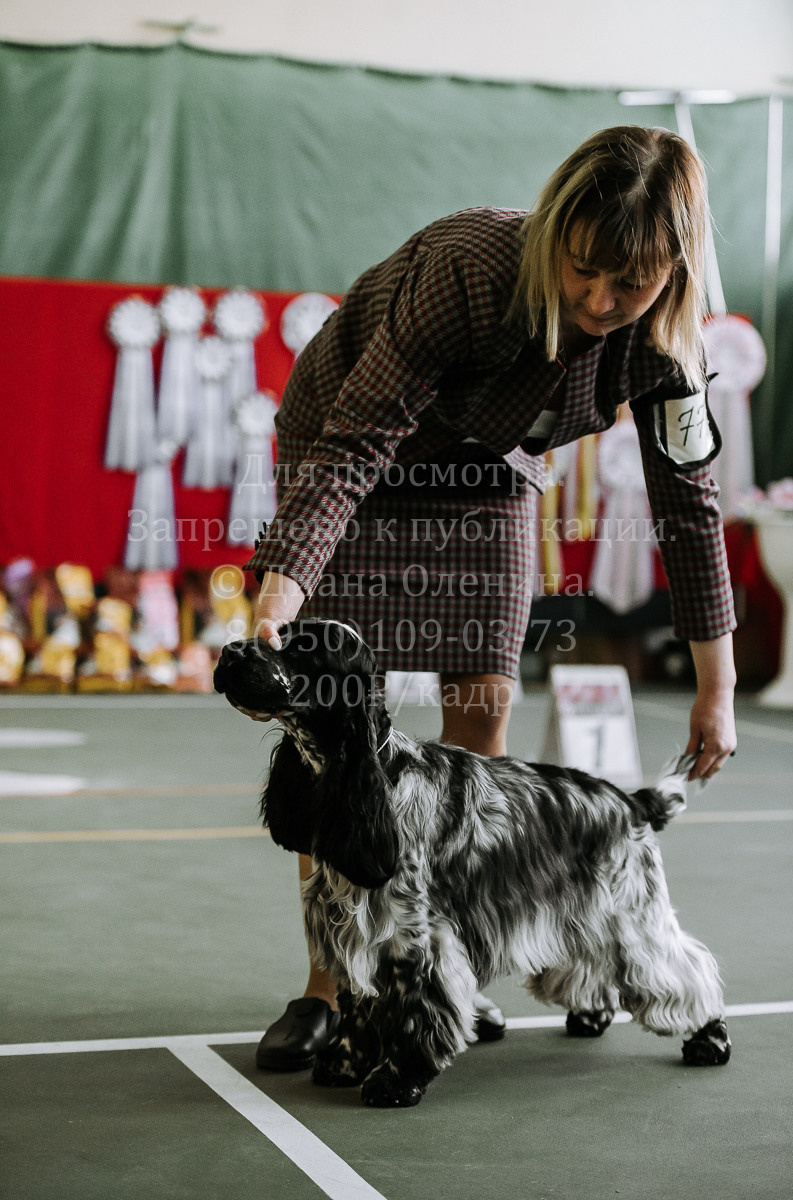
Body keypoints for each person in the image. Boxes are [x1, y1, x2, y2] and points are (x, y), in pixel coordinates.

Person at [242, 125, 738, 1071]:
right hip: (350, 447)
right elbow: (354, 445)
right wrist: (280, 595)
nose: (599, 303)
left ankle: (442, 965)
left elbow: (689, 508)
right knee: (341, 728)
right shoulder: (470, 269)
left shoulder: (667, 349)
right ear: (554, 231)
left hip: (489, 471)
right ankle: (331, 982)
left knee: (487, 696)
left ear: (672, 268)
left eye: (628, 285)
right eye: (583, 271)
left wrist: (713, 685)